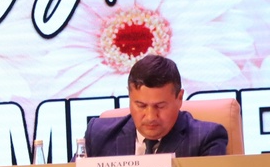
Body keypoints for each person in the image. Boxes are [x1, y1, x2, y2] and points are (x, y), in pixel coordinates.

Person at [84, 54, 228, 157]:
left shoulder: (206, 138)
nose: (151, 117)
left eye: (160, 106)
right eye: (141, 105)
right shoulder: (99, 135)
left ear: (179, 98)